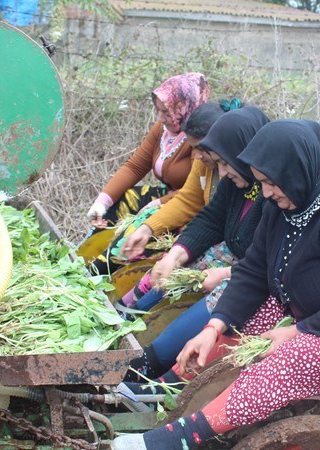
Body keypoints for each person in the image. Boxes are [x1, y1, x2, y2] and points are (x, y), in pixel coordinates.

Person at [112, 119, 320, 450]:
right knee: (249, 317)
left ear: (295, 171)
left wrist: (295, 332)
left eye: (270, 182)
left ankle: (181, 438)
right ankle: (167, 385)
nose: (265, 192)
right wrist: (213, 328)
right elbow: (253, 271)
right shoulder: (286, 199)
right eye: (260, 181)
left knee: (295, 357)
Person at [121, 106, 270, 380]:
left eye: (225, 164)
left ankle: (150, 373)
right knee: (172, 276)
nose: (222, 173)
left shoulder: (271, 192)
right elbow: (211, 219)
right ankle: (128, 317)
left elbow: (269, 259)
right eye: (220, 164)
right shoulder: (237, 182)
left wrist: (227, 273)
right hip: (231, 259)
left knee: (207, 307)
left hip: (251, 276)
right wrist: (174, 255)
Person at [84, 72, 209, 273]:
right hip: (166, 196)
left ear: (184, 109)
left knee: (135, 228)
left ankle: (98, 272)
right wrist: (102, 201)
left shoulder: (200, 140)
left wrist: (156, 205)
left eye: (166, 112)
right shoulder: (163, 130)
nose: (160, 118)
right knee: (126, 199)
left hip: (186, 210)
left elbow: (193, 194)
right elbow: (135, 166)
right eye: (159, 111)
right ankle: (86, 253)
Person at [118, 99, 241, 261]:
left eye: (202, 149)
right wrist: (147, 229)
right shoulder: (203, 161)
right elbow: (189, 200)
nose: (196, 156)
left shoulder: (240, 174)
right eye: (194, 149)